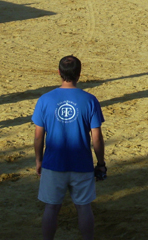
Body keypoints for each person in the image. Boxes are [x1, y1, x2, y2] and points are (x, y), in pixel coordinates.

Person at [32, 55, 106, 240]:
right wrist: (101, 162)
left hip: (53, 163)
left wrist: (39, 160)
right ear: (79, 74)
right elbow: (96, 137)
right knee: (83, 207)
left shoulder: (45, 99)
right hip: (81, 164)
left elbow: (38, 136)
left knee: (51, 207)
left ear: (59, 73)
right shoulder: (90, 100)